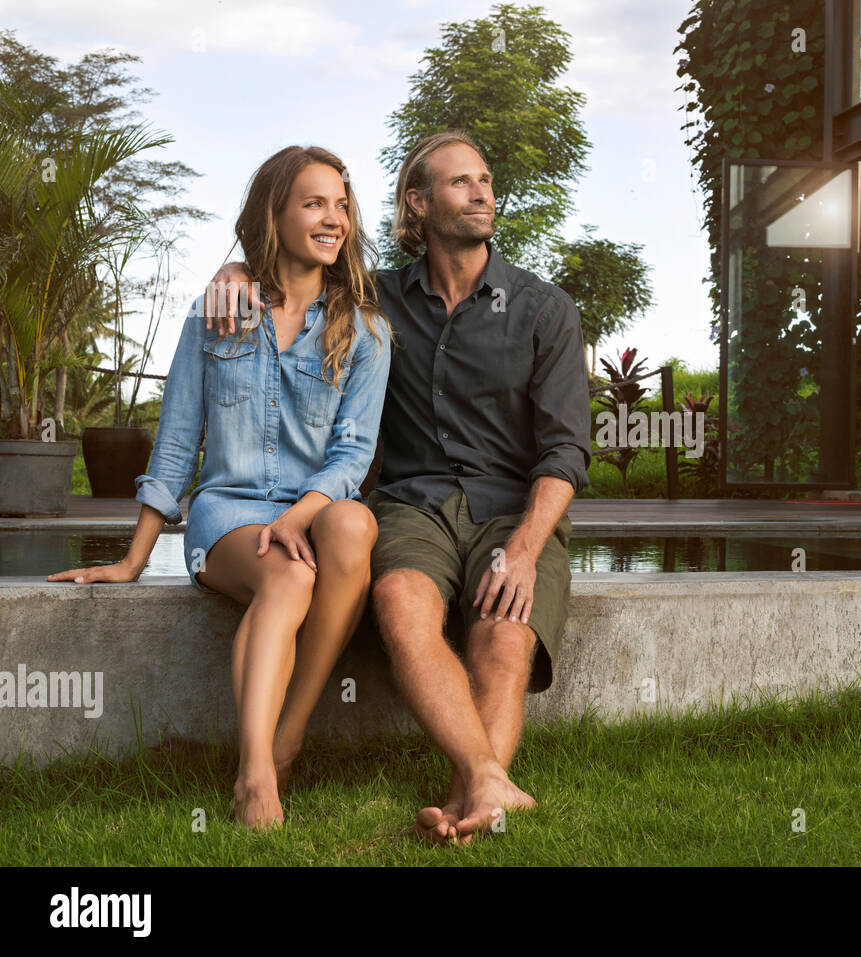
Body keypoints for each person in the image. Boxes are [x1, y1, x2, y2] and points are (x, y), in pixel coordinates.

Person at [207, 130, 590, 845]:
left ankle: (472, 789)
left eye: (485, 179)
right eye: (459, 182)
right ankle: (487, 785)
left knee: (503, 637)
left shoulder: (544, 310)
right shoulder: (374, 302)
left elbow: (566, 452)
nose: (482, 191)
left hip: (514, 510)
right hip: (413, 505)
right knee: (401, 602)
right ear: (418, 202)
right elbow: (292, 271)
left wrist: (527, 550)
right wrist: (235, 269)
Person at [49, 146, 392, 830]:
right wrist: (132, 559)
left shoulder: (366, 332)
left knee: (354, 524)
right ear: (276, 212)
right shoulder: (217, 312)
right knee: (290, 580)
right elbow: (177, 442)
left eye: (342, 205)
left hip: (315, 513)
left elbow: (352, 452)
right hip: (228, 514)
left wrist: (302, 514)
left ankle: (280, 739)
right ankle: (262, 774)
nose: (334, 219)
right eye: (314, 203)